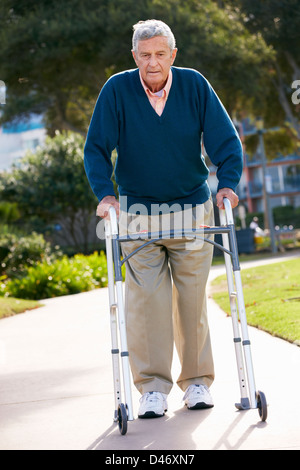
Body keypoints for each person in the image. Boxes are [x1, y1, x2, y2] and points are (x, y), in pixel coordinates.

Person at [84, 19, 243, 419]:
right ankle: (152, 389)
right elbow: (96, 149)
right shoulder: (117, 90)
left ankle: (197, 384)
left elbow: (225, 141)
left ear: (173, 54)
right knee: (147, 303)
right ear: (134, 56)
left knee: (191, 300)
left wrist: (227, 184)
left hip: (192, 208)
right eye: (144, 55)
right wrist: (105, 195)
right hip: (139, 213)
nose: (152, 63)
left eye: (160, 54)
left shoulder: (194, 85)